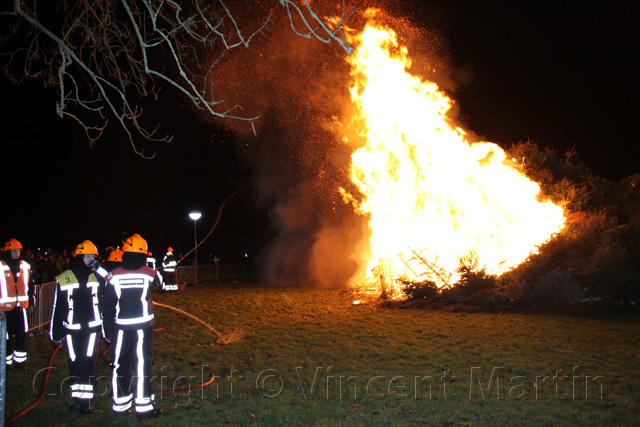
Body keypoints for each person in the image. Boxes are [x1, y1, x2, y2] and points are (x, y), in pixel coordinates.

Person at [102, 233, 162, 419]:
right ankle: (144, 408)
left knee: (120, 365)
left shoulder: (113, 276)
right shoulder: (150, 273)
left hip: (120, 329)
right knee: (143, 365)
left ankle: (120, 405)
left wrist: (107, 331)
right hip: (143, 328)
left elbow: (107, 306)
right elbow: (159, 283)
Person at [50, 240, 106, 415]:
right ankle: (78, 399)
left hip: (91, 329)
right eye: (89, 256)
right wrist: (56, 333)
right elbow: (58, 307)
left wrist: (99, 268)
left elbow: (110, 282)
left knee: (88, 362)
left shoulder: (97, 276)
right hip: (71, 330)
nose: (91, 259)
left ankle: (86, 402)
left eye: (94, 256)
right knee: (74, 363)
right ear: (80, 256)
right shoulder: (65, 277)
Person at [0, 238, 35, 370]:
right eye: (14, 250)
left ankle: (20, 363)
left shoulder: (25, 266)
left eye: (19, 250)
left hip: (21, 308)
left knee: (22, 335)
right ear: (7, 251)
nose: (17, 252)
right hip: (4, 310)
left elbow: (30, 286)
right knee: (5, 336)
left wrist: (31, 301)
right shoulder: (0, 266)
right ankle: (5, 363)